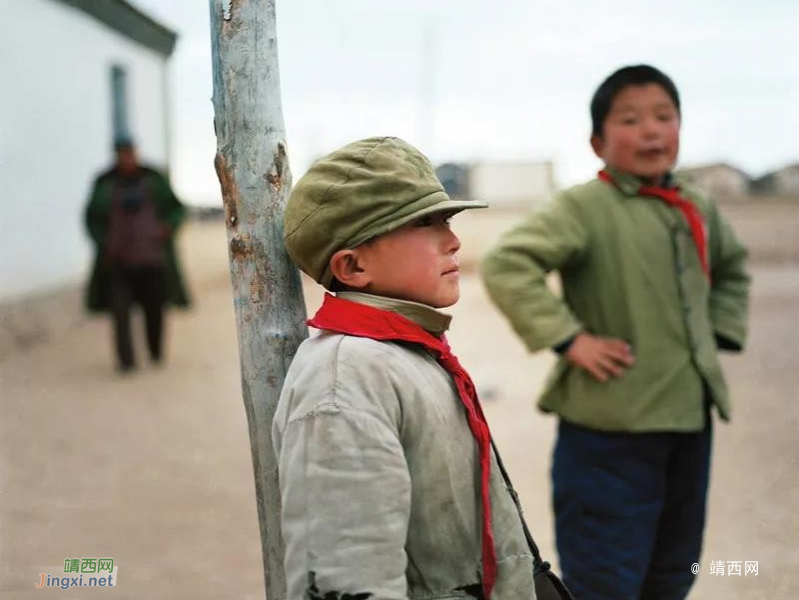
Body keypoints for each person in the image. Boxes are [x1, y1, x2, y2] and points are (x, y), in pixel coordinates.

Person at [481, 65, 751, 600]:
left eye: (664, 116)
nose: (651, 130)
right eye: (631, 119)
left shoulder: (697, 205)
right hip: (608, 431)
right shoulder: (584, 206)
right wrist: (569, 338)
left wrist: (713, 332)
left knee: (676, 567)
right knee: (604, 573)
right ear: (597, 142)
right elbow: (507, 263)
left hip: (688, 421)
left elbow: (733, 269)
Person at [273, 137, 541, 600]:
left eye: (447, 218)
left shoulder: (402, 353)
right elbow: (350, 575)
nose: (453, 240)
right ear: (353, 265)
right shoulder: (346, 379)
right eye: (424, 223)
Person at [84, 137, 190, 372]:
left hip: (152, 261)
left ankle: (155, 353)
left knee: (154, 311)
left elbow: (176, 210)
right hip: (118, 263)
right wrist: (104, 242)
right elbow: (91, 218)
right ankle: (126, 362)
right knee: (120, 314)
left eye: (130, 153)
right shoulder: (104, 183)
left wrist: (167, 228)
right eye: (122, 154)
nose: (127, 158)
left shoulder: (153, 179)